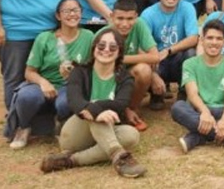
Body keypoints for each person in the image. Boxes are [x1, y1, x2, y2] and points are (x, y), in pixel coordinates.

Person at [39, 30, 146, 178]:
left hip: (105, 132)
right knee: (94, 111)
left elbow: (121, 104)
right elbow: (74, 101)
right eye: (101, 46)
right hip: (76, 134)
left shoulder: (125, 78)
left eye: (112, 47)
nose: (106, 50)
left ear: (119, 52)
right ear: (94, 48)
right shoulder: (79, 72)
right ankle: (119, 156)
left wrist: (95, 106)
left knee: (132, 135)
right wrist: (94, 108)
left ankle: (71, 160)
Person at [5, 0, 95, 149]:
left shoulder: (89, 37)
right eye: (66, 11)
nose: (72, 14)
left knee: (66, 102)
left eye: (76, 10)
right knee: (27, 97)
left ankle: (61, 126)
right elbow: (29, 72)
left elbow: (93, 68)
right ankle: (23, 127)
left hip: (70, 85)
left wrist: (75, 75)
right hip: (44, 83)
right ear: (58, 16)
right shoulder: (44, 38)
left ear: (81, 13)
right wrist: (43, 82)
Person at [171, 20, 224, 155]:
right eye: (210, 38)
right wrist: (205, 113)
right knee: (178, 108)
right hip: (199, 111)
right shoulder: (189, 63)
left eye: (219, 38)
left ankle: (198, 137)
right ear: (202, 40)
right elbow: (192, 94)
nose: (214, 42)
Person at [140, 0, 199, 111]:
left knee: (192, 53)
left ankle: (184, 93)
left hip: (176, 56)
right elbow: (141, 46)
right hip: (157, 60)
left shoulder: (187, 8)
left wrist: (168, 50)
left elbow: (193, 38)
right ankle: (156, 94)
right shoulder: (148, 14)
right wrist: (153, 75)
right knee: (146, 58)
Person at [100, 0, 159, 132]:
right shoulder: (104, 35)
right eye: (120, 18)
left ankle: (132, 109)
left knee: (144, 70)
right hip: (109, 78)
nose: (125, 24)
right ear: (111, 17)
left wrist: (120, 58)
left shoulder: (139, 25)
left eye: (129, 19)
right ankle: (121, 111)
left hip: (128, 74)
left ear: (136, 17)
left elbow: (155, 56)